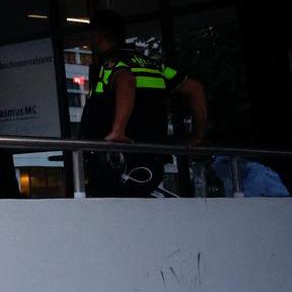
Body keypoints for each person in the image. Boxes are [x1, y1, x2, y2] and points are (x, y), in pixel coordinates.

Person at [79, 11, 207, 196]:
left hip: (116, 161)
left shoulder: (110, 63)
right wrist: (198, 135)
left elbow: (126, 80)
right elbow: (195, 89)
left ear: (97, 37)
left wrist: (118, 131)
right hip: (152, 159)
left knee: (105, 215)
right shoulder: (152, 65)